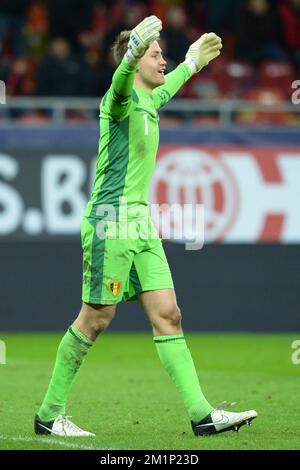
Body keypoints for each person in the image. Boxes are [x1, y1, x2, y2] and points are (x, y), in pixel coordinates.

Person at [34, 16, 257, 437]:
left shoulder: (150, 102)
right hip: (109, 221)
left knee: (168, 315)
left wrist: (191, 62)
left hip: (141, 224)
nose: (162, 60)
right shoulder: (116, 102)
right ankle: (49, 415)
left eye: (162, 54)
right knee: (96, 318)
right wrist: (133, 50)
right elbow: (120, 84)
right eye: (156, 54)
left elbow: (170, 83)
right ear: (134, 60)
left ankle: (201, 414)